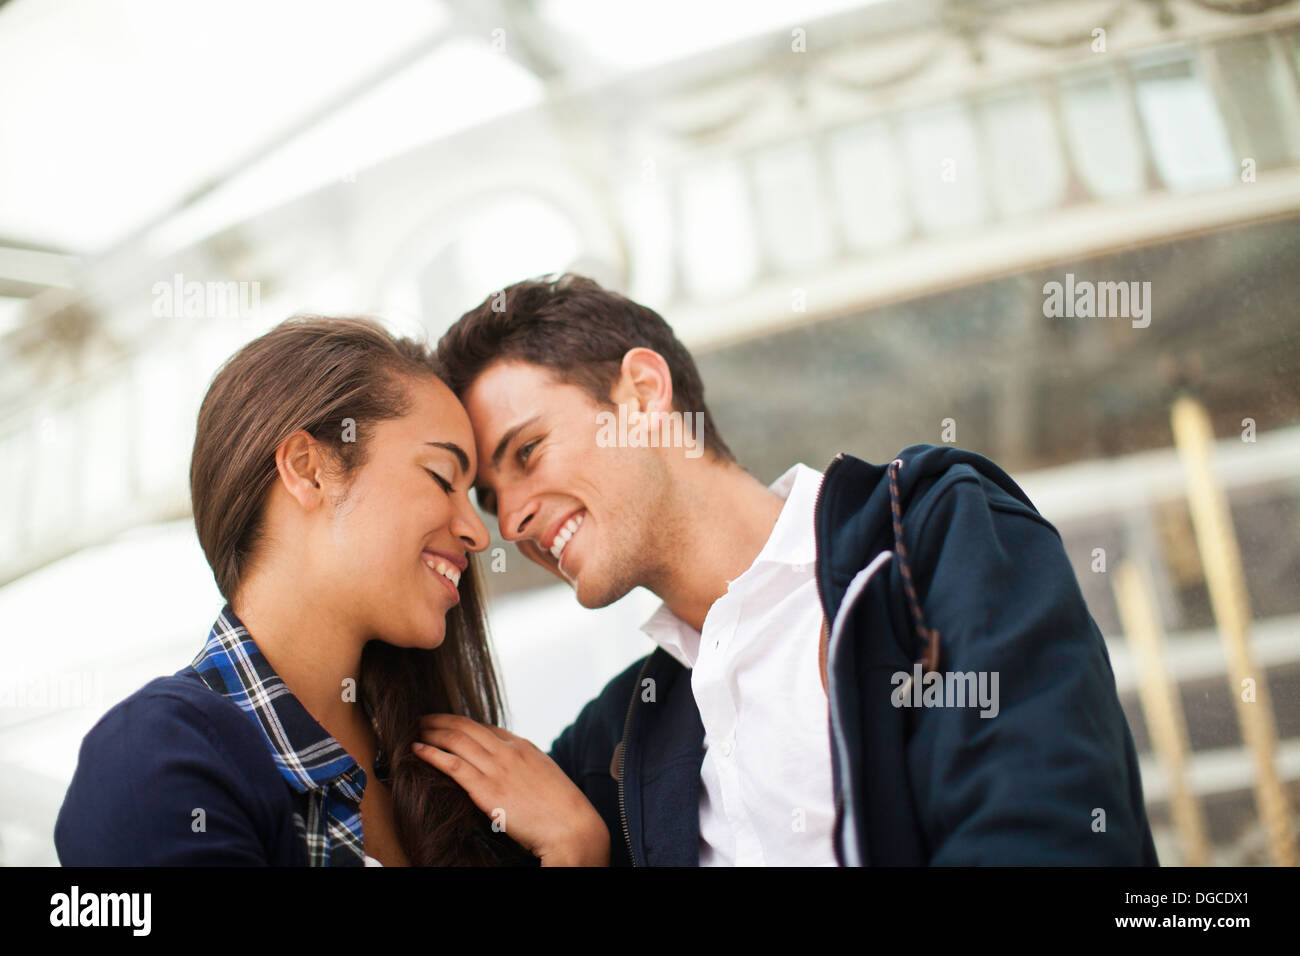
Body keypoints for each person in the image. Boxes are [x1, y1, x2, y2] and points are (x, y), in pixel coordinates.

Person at [418, 273, 1160, 866]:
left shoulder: (929, 539)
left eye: (528, 452)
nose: (509, 521)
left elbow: (1047, 826)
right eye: (490, 498)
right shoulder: (616, 742)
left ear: (642, 393)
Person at [54, 316, 607, 866]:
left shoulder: (464, 776)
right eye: (442, 476)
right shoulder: (157, 756)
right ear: (308, 469)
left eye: (473, 495)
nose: (479, 533)